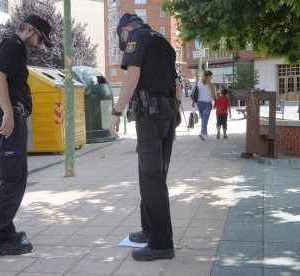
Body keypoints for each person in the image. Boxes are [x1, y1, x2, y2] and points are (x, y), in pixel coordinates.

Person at [110, 13, 182, 261]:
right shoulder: (162, 41)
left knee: (151, 178)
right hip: (167, 112)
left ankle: (162, 243)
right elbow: (177, 83)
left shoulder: (136, 38)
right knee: (153, 174)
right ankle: (149, 229)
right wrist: (173, 119)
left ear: (125, 32)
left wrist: (117, 110)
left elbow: (132, 76)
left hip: (150, 114)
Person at [0, 14, 53, 255]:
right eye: (39, 39)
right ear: (29, 30)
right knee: (13, 178)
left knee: (3, 177)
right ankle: (1, 237)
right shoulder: (12, 45)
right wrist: (8, 113)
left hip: (2, 116)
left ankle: (4, 229)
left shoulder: (11, 46)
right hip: (6, 119)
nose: (39, 45)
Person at [195, 70, 217, 140]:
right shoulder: (211, 85)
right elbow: (213, 95)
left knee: (204, 119)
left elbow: (195, 92)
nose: (212, 78)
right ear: (208, 76)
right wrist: (216, 102)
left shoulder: (198, 82)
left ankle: (205, 134)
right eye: (211, 76)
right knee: (205, 120)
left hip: (199, 103)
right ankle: (202, 133)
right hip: (207, 103)